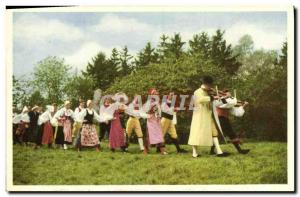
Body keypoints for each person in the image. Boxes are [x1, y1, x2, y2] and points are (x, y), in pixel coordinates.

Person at [188, 76, 229, 158]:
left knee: (214, 132)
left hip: (208, 115)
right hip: (199, 116)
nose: (210, 87)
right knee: (196, 134)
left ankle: (219, 152)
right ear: (205, 84)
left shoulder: (208, 91)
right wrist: (213, 97)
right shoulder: (197, 91)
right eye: (209, 85)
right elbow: (201, 99)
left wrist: (223, 97)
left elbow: (213, 101)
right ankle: (194, 153)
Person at [143, 88, 168, 155]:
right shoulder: (149, 102)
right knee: (148, 135)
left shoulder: (157, 101)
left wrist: (159, 115)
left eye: (157, 93)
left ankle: (162, 150)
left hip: (157, 120)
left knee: (159, 134)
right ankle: (145, 150)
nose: (156, 94)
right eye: (155, 93)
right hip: (151, 120)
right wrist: (151, 110)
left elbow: (159, 110)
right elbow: (145, 110)